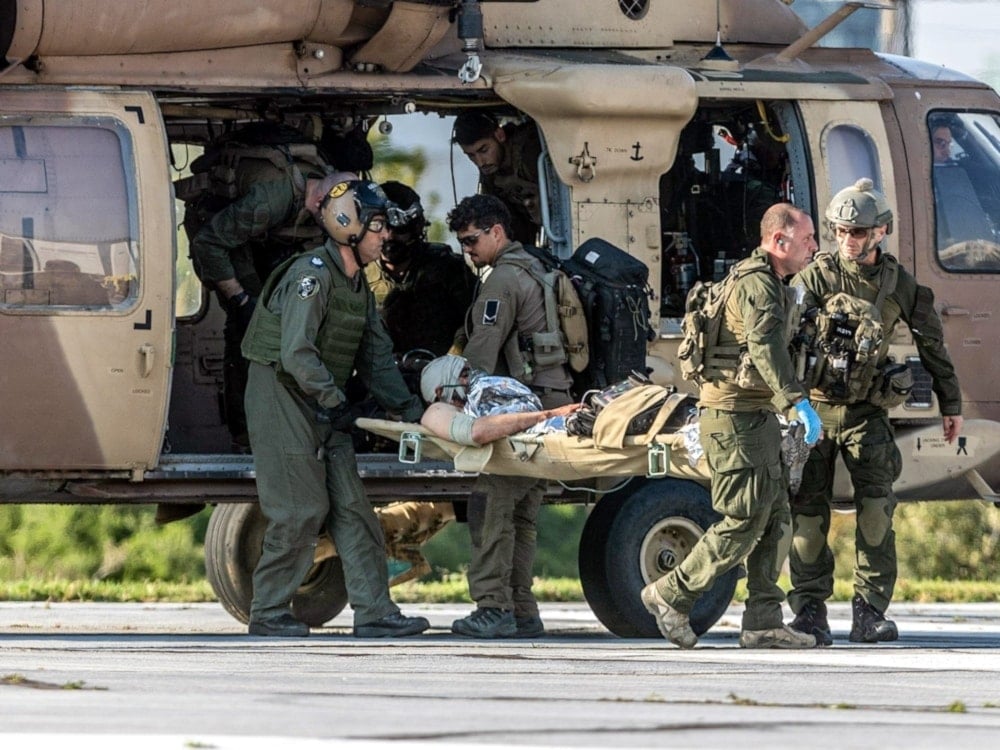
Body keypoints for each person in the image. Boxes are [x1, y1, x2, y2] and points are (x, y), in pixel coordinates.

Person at [239, 177, 429, 638]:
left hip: (323, 402)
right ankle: (268, 612)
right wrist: (335, 401)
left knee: (353, 509)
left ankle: (375, 612)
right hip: (282, 396)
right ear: (349, 226)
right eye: (379, 226)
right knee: (300, 509)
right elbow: (296, 354)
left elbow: (377, 357)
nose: (387, 237)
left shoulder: (357, 287)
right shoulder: (312, 276)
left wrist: (411, 412)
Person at [787, 178, 963, 645]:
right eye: (842, 230)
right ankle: (808, 612)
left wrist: (952, 404)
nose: (848, 239)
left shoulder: (898, 284)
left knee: (876, 513)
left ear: (880, 231)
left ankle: (869, 612)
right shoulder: (815, 278)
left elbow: (932, 344)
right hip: (814, 414)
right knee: (806, 514)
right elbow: (779, 336)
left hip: (866, 413)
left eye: (858, 232)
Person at [640, 203, 821, 650]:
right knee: (742, 519)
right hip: (735, 419)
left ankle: (763, 620)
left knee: (775, 517)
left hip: (753, 416)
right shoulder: (758, 285)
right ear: (779, 242)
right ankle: (671, 592)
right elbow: (764, 347)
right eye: (807, 239)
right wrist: (796, 401)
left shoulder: (767, 280)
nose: (814, 246)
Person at [443, 194, 574, 638]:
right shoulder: (538, 268)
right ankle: (521, 609)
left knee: (492, 507)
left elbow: (482, 351)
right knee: (522, 514)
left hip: (521, 409)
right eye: (462, 243)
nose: (467, 250)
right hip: (551, 403)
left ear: (497, 232)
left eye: (472, 240)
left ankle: (493, 608)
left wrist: (456, 398)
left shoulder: (501, 279)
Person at [188, 144, 334, 452]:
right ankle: (246, 435)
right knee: (250, 326)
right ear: (320, 201)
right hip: (216, 230)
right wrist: (240, 299)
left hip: (257, 236)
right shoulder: (269, 201)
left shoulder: (324, 190)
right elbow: (208, 243)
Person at [364, 181, 476, 356]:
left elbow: (474, 318)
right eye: (383, 228)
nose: (389, 237)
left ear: (416, 230)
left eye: (399, 230)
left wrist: (455, 354)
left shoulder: (446, 267)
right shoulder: (360, 273)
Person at [452, 111, 543, 245]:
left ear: (499, 135)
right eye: (471, 156)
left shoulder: (530, 153)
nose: (480, 162)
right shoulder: (491, 172)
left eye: (484, 150)